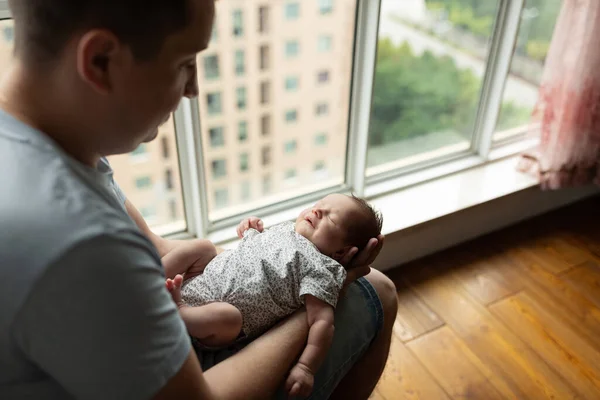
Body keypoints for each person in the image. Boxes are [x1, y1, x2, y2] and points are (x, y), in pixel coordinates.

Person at [0, 0, 398, 399]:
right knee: (377, 292)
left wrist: (265, 269)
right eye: (184, 64)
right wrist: (332, 288)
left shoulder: (56, 142)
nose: (192, 90)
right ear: (101, 60)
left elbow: (155, 249)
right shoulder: (82, 243)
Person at [162, 194, 383, 398]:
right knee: (203, 246)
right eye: (317, 206)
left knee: (229, 317)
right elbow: (255, 246)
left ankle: (180, 311)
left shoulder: (321, 269)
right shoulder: (288, 230)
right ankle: (153, 278)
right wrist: (251, 227)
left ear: (342, 253)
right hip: (203, 280)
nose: (316, 212)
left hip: (215, 322)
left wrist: (306, 367)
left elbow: (322, 323)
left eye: (329, 218)